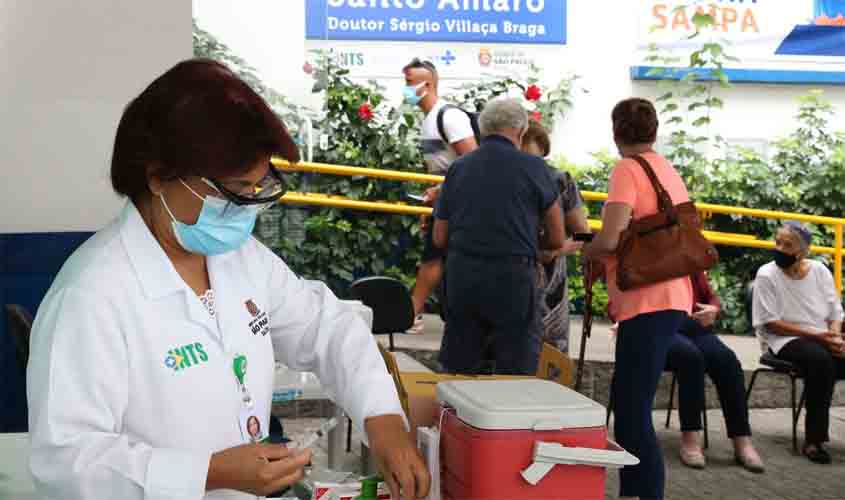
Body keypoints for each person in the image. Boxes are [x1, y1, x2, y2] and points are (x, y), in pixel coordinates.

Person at [26, 59, 429, 500]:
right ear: (158, 175)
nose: (247, 209)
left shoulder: (240, 259)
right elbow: (67, 461)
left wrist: (383, 416)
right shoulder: (92, 294)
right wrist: (205, 473)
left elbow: (326, 328)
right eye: (234, 191)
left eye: (257, 190)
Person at [583, 97, 692, 500]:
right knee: (630, 403)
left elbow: (611, 238)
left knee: (630, 411)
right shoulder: (665, 168)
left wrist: (588, 250)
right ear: (655, 130)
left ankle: (646, 493)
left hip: (648, 299)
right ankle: (634, 492)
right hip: (672, 293)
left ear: (615, 133)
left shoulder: (627, 169)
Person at [432, 98, 564, 375]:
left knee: (460, 370)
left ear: (482, 129)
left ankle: (457, 418)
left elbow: (439, 237)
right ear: (520, 131)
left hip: (463, 277)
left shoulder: (459, 168)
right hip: (515, 279)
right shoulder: (536, 168)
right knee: (515, 373)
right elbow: (556, 238)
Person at [753, 221, 845, 464]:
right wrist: (821, 338)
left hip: (822, 336)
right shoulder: (766, 274)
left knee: (829, 359)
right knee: (821, 361)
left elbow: (835, 312)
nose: (780, 248)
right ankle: (814, 441)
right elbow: (770, 322)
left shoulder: (819, 270)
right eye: (778, 242)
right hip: (784, 339)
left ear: (802, 251)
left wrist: (834, 336)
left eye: (788, 245)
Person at [402, 58, 478, 332]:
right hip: (445, 199)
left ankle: (411, 313)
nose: (406, 89)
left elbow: (474, 163)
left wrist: (442, 191)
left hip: (457, 200)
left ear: (428, 84)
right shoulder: (430, 120)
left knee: (433, 256)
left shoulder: (449, 117)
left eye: (410, 83)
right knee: (442, 256)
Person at [664, 271, 764, 472]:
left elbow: (710, 296)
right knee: (690, 358)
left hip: (695, 327)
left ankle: (741, 439)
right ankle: (691, 437)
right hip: (661, 328)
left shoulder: (689, 257)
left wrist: (713, 308)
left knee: (727, 361)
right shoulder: (645, 252)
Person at [521, 121, 589, 353]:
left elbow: (583, 235)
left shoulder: (560, 180)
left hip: (548, 285)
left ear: (542, 148)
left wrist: (555, 251)